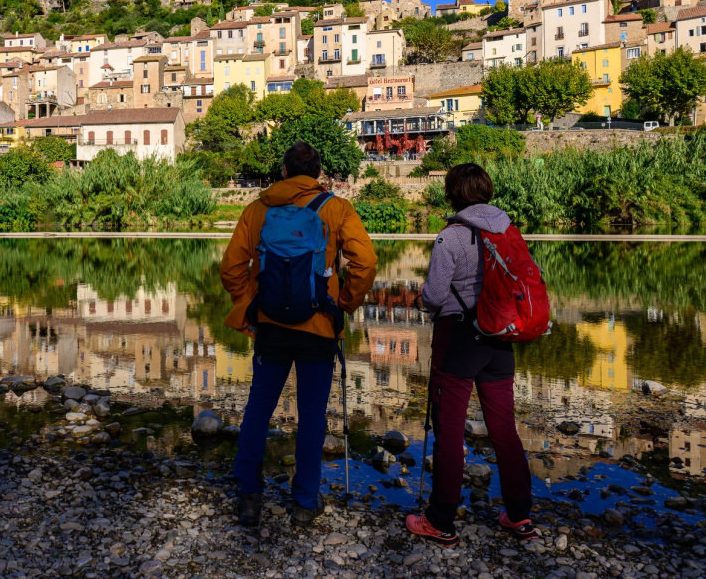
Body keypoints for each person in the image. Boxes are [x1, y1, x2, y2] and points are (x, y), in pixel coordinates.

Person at [221, 142, 377, 527]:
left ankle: (249, 497)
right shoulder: (336, 208)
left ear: (284, 170)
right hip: (319, 327)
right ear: (318, 171)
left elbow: (231, 268)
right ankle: (305, 501)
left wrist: (248, 304)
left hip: (271, 324)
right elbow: (367, 261)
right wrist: (344, 303)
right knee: (311, 415)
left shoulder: (259, 208)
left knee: (259, 408)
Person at [406, 163, 536, 547]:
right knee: (504, 431)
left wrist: (420, 299)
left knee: (449, 430)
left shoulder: (452, 237)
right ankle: (519, 514)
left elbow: (433, 295)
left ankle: (441, 520)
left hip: (460, 336)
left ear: (452, 193)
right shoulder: (509, 231)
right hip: (500, 337)